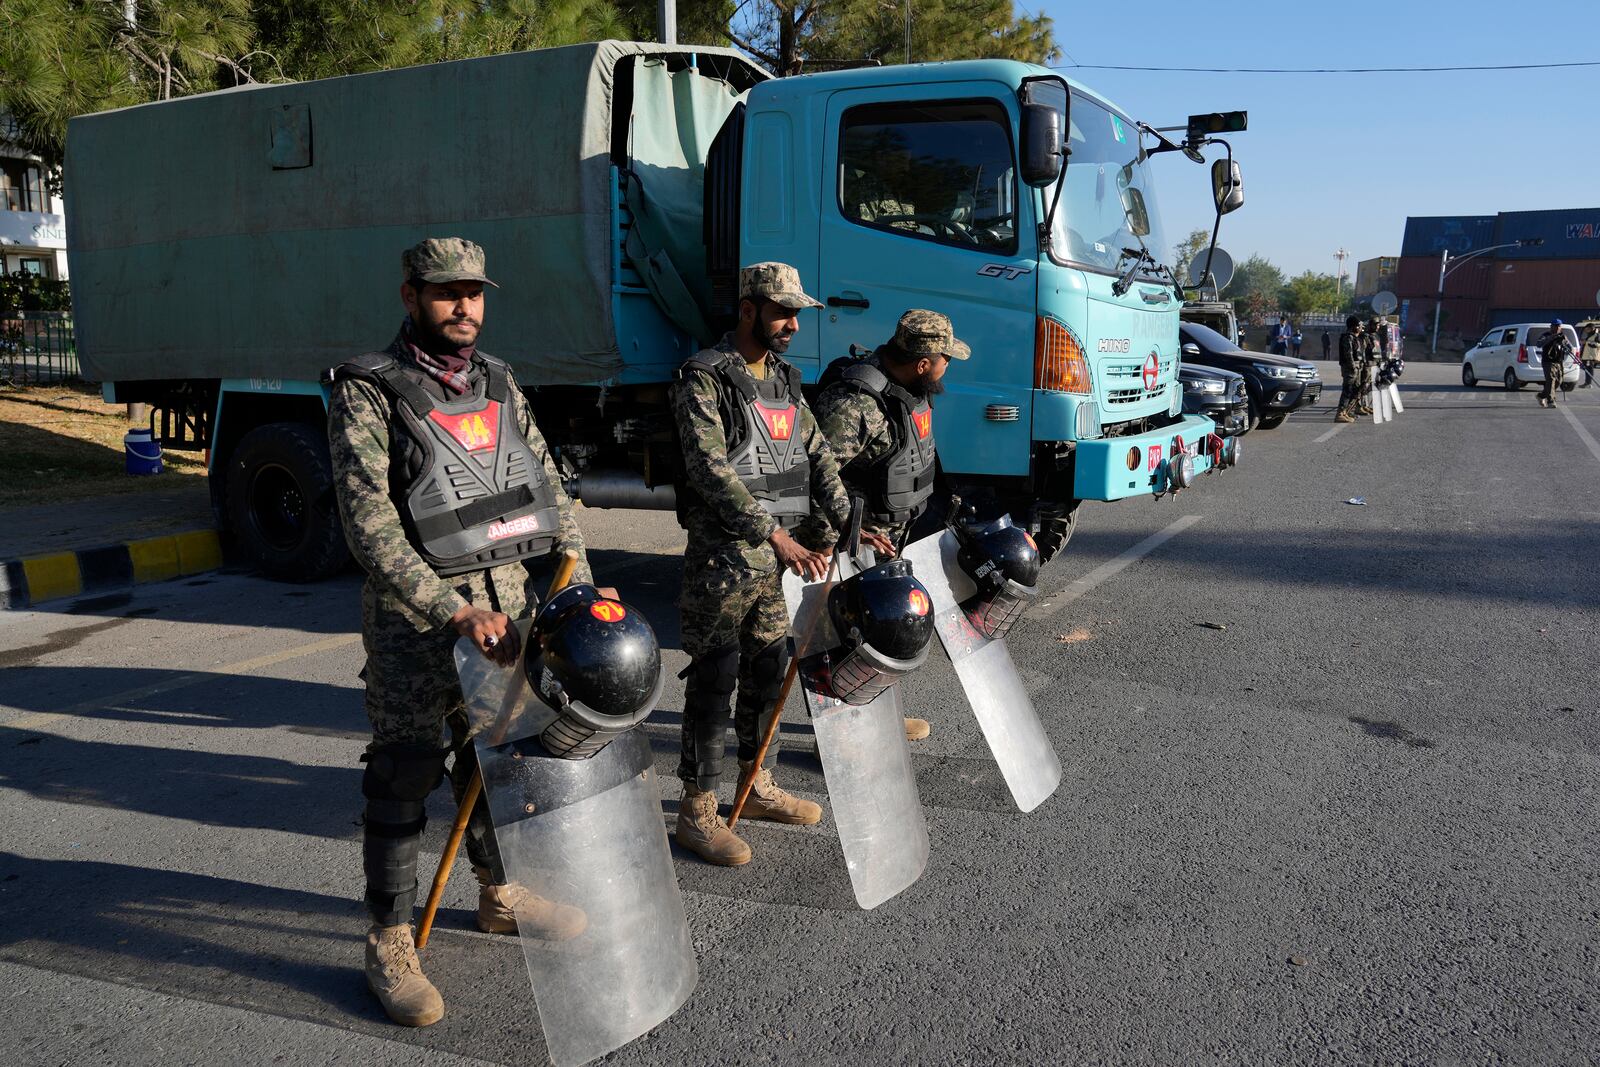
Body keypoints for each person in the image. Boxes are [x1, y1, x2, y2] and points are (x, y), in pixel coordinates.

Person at [326, 238, 597, 1028]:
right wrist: (451, 609)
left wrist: (574, 565)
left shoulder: (501, 383)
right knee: (405, 775)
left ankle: (497, 890)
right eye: (447, 293)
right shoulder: (368, 391)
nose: (465, 307)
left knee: (496, 760)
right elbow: (368, 525)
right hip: (419, 626)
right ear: (410, 295)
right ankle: (389, 938)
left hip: (507, 613)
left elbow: (545, 481)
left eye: (474, 292)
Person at [670, 261, 895, 867]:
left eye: (798, 313)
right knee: (715, 679)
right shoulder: (704, 377)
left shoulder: (787, 381)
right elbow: (709, 469)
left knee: (770, 669)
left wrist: (853, 523)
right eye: (781, 312)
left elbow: (818, 456)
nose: (792, 324)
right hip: (726, 558)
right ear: (748, 309)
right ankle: (697, 808)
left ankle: (756, 782)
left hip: (779, 559)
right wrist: (773, 535)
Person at [800, 308, 969, 742]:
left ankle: (876, 715)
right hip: (849, 538)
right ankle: (839, 738)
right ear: (922, 363)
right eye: (946, 358)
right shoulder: (855, 404)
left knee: (882, 629)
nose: (949, 366)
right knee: (835, 640)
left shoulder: (912, 390)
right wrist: (825, 548)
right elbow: (815, 478)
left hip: (888, 535)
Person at [1537, 319, 1574, 408]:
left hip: (1558, 361)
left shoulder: (1563, 336)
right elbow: (1539, 344)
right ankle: (1551, 401)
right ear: (1551, 326)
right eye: (1555, 326)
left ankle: (1541, 396)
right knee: (1551, 380)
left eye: (1559, 326)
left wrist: (1565, 344)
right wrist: (1552, 337)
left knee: (1558, 381)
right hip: (1548, 361)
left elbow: (1571, 348)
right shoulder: (1546, 335)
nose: (1557, 328)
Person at [1334, 315, 1364, 423]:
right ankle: (1340, 414)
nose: (1361, 327)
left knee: (1355, 390)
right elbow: (1349, 354)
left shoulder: (1355, 337)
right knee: (1347, 390)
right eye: (1359, 325)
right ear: (1354, 326)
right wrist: (1352, 367)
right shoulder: (1348, 337)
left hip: (1356, 367)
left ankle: (1346, 412)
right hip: (1350, 368)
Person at [1579, 320, 1600, 388]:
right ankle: (1586, 383)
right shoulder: (1589, 335)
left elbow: (1598, 344)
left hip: (1591, 356)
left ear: (1591, 329)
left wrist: (1587, 342)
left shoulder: (1596, 335)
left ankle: (1589, 383)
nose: (1586, 331)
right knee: (1587, 370)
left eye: (1587, 329)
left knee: (1590, 369)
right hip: (1586, 355)